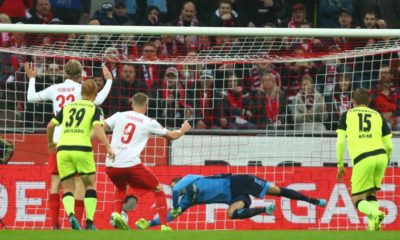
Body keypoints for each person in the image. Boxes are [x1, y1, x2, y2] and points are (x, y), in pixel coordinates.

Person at [25, 60, 113, 229]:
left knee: (57, 183)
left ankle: (55, 225)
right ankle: (78, 224)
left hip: (58, 142)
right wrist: (108, 81)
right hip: (77, 138)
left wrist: (32, 79)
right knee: (81, 184)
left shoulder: (54, 89)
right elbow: (98, 100)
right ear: (81, 75)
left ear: (64, 73)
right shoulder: (81, 90)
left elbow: (30, 98)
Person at [104, 92, 191, 230]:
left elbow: (100, 127)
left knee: (121, 187)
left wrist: (108, 146)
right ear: (146, 106)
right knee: (158, 189)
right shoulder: (148, 122)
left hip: (111, 164)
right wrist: (182, 130)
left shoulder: (119, 115)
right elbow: (171, 135)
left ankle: (116, 214)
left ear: (132, 104)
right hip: (130, 164)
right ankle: (164, 225)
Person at [135, 173, 326, 229]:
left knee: (276, 190)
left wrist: (175, 205)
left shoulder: (192, 178)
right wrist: (151, 223)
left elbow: (176, 190)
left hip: (239, 181)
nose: (180, 189)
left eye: (179, 185)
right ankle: (264, 210)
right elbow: (169, 216)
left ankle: (312, 200)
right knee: (232, 214)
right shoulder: (188, 200)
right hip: (234, 197)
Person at [47, 79, 115, 230]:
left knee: (68, 188)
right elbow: (97, 129)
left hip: (63, 149)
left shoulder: (68, 107)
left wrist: (50, 142)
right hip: (82, 150)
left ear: (80, 92)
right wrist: (108, 146)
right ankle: (89, 222)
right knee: (90, 185)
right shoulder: (95, 109)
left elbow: (50, 125)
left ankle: (71, 215)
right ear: (95, 94)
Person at [336, 88, 393, 231]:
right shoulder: (378, 115)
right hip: (381, 156)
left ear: (353, 102)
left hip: (363, 158)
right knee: (371, 193)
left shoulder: (346, 115)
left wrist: (340, 164)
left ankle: (376, 213)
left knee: (357, 199)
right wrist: (384, 160)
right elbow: (390, 145)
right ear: (369, 101)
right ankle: (374, 228)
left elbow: (341, 141)